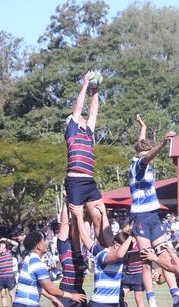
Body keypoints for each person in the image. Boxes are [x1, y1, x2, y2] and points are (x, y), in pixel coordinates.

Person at [130, 113, 179, 307]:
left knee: (166, 254)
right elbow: (147, 155)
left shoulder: (142, 158)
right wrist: (163, 142)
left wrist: (144, 126)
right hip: (141, 216)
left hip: (153, 216)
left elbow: (143, 145)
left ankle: (176, 296)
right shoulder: (139, 164)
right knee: (147, 260)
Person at [51, 204, 109, 307]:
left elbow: (87, 224)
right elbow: (64, 222)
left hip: (79, 292)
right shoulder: (64, 245)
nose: (75, 230)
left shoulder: (84, 248)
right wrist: (68, 200)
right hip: (65, 291)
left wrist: (89, 205)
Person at [64, 71, 113, 247]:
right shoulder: (72, 132)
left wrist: (96, 91)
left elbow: (93, 113)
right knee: (76, 222)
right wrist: (85, 84)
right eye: (78, 119)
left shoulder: (88, 133)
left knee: (99, 215)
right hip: (75, 181)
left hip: (89, 181)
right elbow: (78, 108)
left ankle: (107, 249)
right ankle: (77, 254)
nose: (82, 118)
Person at [121, 235, 147, 307]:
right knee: (120, 297)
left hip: (138, 276)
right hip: (127, 276)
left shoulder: (140, 247)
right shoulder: (125, 246)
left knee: (139, 299)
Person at [0, 238, 18, 307]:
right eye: (1, 244)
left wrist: (7, 239)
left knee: (12, 295)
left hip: (9, 276)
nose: (2, 245)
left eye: (3, 244)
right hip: (1, 277)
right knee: (3, 295)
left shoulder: (10, 252)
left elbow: (16, 244)